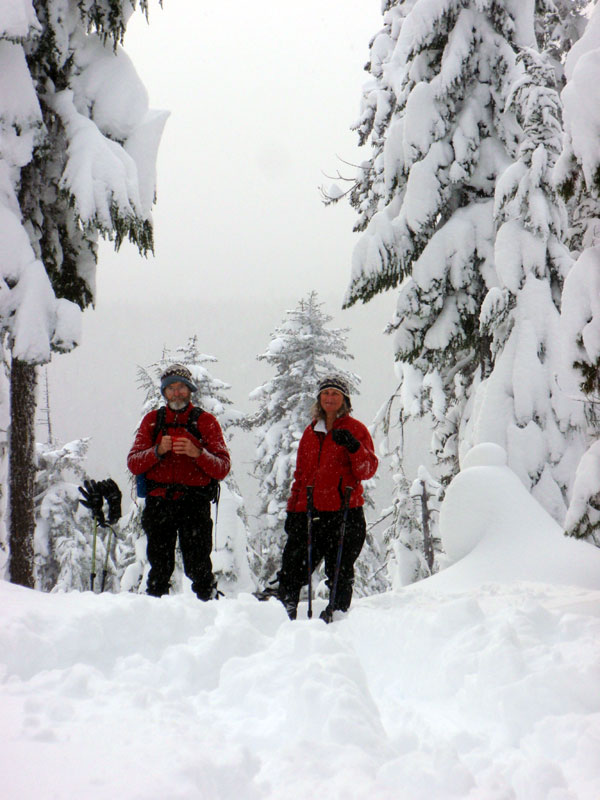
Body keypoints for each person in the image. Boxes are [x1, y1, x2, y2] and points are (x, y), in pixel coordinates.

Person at [276, 375, 378, 621]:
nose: (329, 398)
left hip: (346, 512)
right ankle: (283, 611)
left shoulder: (356, 430)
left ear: (344, 400)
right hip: (311, 512)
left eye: (335, 394)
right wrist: (293, 510)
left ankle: (337, 614)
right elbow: (301, 476)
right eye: (325, 393)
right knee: (294, 565)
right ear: (319, 399)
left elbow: (367, 469)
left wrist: (354, 446)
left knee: (340, 569)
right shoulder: (311, 432)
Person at [127, 364, 230, 600]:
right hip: (159, 504)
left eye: (181, 387)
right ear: (163, 392)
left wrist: (198, 453)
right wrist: (156, 451)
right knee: (159, 569)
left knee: (199, 567)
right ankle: (153, 618)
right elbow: (133, 462)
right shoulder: (152, 421)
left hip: (194, 503)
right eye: (171, 388)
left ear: (190, 390)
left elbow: (223, 467)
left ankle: (210, 614)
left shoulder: (206, 421)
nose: (176, 393)